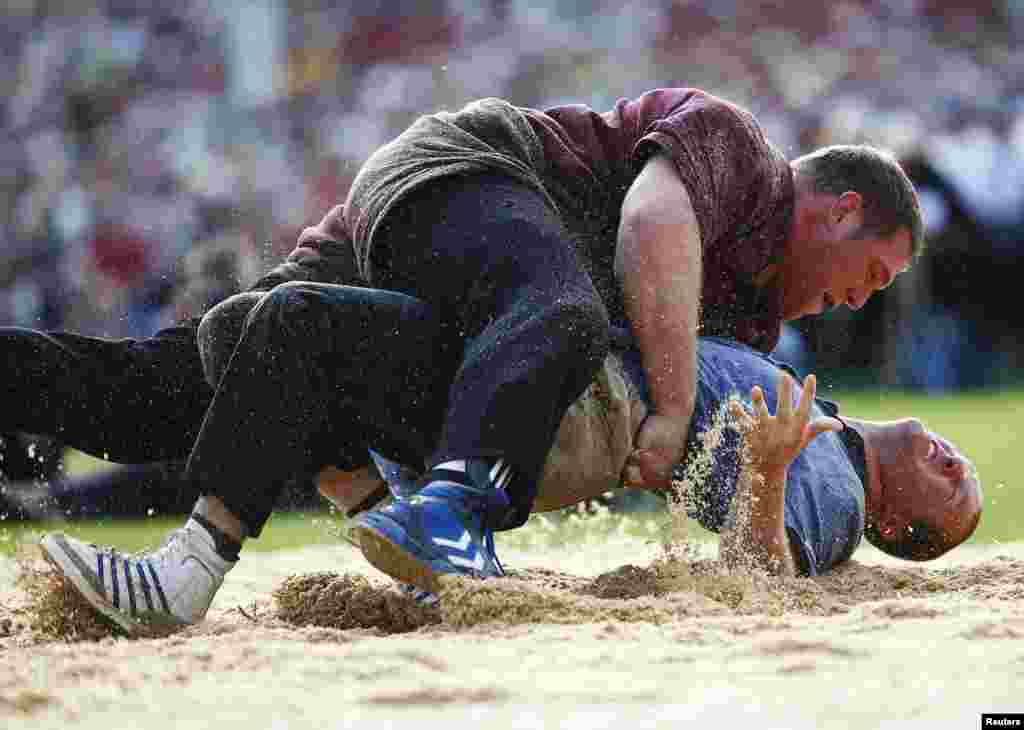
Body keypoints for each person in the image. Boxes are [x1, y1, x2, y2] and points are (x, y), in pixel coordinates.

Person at [35, 87, 921, 633]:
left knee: (171, 389)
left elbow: (617, 418)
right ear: (841, 210)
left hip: (439, 290)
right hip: (460, 174)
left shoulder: (746, 325)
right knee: (563, 313)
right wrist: (678, 406)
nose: (860, 300)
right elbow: (652, 226)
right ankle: (449, 515)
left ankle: (194, 545)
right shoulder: (742, 153)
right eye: (872, 274)